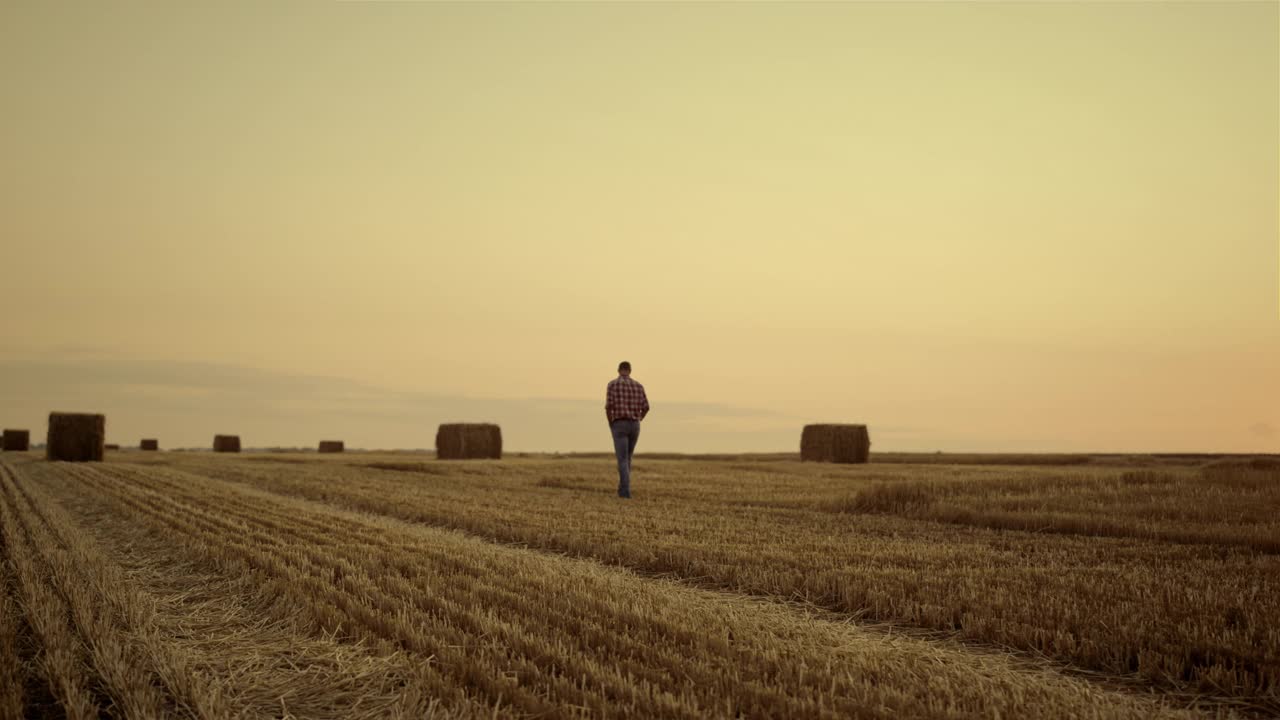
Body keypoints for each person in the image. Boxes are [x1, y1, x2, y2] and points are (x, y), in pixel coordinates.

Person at [605, 361, 649, 498]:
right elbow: (646, 407)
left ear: (619, 370)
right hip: (635, 424)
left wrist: (611, 423)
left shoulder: (612, 384)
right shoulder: (638, 386)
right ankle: (622, 488)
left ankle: (625, 491)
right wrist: (639, 418)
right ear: (630, 370)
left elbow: (609, 407)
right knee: (628, 458)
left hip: (619, 423)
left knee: (622, 459)